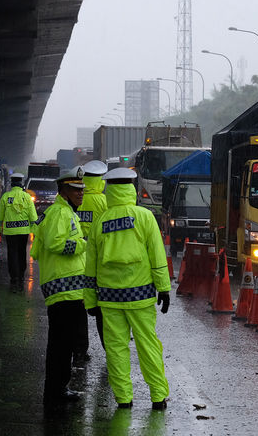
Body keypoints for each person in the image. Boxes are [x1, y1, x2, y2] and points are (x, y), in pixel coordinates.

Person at [84, 167, 171, 410]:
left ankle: (123, 399)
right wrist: (163, 289)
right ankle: (158, 397)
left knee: (115, 348)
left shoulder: (101, 221)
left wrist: (90, 301)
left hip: (109, 298)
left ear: (109, 189)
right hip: (141, 296)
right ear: (131, 188)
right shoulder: (144, 217)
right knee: (148, 345)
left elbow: (90, 265)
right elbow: (157, 254)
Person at [31, 166, 88, 403]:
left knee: (63, 343)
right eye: (76, 189)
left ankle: (59, 387)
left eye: (82, 189)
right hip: (63, 290)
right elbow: (55, 244)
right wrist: (82, 244)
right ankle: (55, 390)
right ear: (64, 190)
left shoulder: (65, 211)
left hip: (68, 289)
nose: (81, 193)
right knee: (61, 344)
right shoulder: (59, 213)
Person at [75, 159, 109, 361]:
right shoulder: (105, 202)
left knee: (79, 305)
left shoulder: (75, 198)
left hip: (77, 259)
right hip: (99, 260)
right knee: (102, 306)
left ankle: (80, 348)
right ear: (101, 181)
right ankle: (109, 349)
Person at [0, 172, 38, 292]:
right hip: (24, 232)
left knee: (12, 254)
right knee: (21, 253)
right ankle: (20, 278)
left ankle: (14, 279)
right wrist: (35, 232)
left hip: (10, 232)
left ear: (12, 183)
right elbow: (33, 217)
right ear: (21, 183)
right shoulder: (27, 197)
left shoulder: (5, 197)